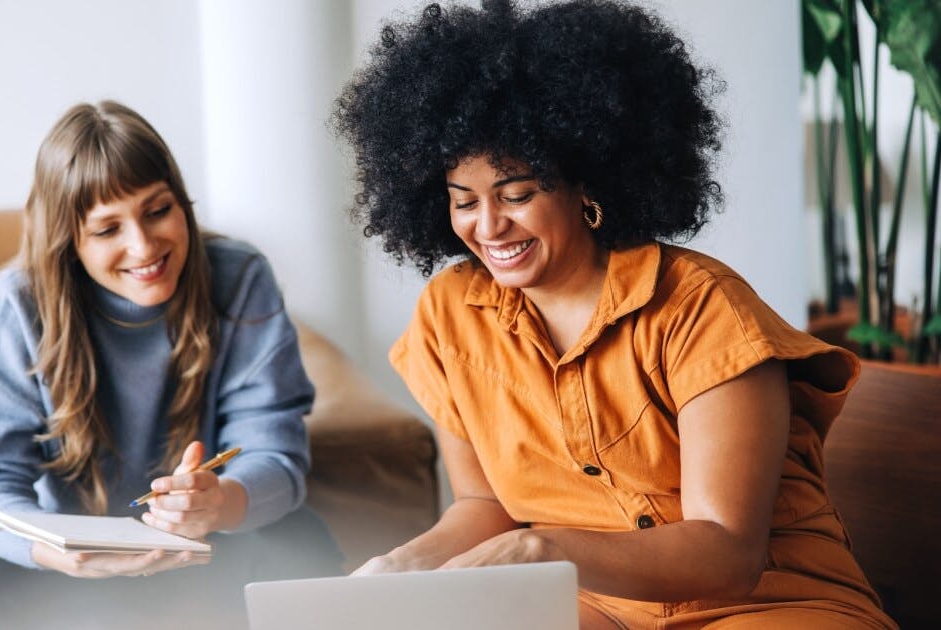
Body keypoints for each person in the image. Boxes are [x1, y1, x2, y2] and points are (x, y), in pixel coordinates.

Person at [332, 1, 895, 628]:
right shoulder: (449, 316)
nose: (488, 227)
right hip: (592, 606)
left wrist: (544, 547)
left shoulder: (700, 307)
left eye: (517, 194)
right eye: (464, 202)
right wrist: (398, 567)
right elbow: (483, 503)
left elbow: (729, 553)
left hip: (770, 600)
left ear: (587, 183)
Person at [0, 100, 340, 629]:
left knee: (298, 536)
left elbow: (275, 452)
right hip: (68, 568)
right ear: (69, 241)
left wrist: (224, 502)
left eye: (157, 210)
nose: (144, 246)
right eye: (107, 230)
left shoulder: (239, 278)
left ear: (182, 203)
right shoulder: (18, 304)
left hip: (204, 548)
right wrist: (56, 551)